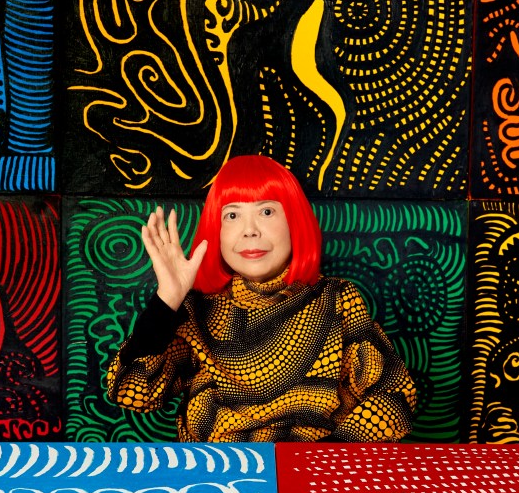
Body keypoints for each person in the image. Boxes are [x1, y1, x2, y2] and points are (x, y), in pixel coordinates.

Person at [106, 155, 417, 442]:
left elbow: (394, 396)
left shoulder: (337, 299)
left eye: (266, 211)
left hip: (311, 469)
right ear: (216, 229)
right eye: (232, 215)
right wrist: (166, 303)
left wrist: (324, 463)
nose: (249, 231)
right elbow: (132, 391)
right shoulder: (196, 308)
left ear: (294, 221)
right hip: (214, 470)